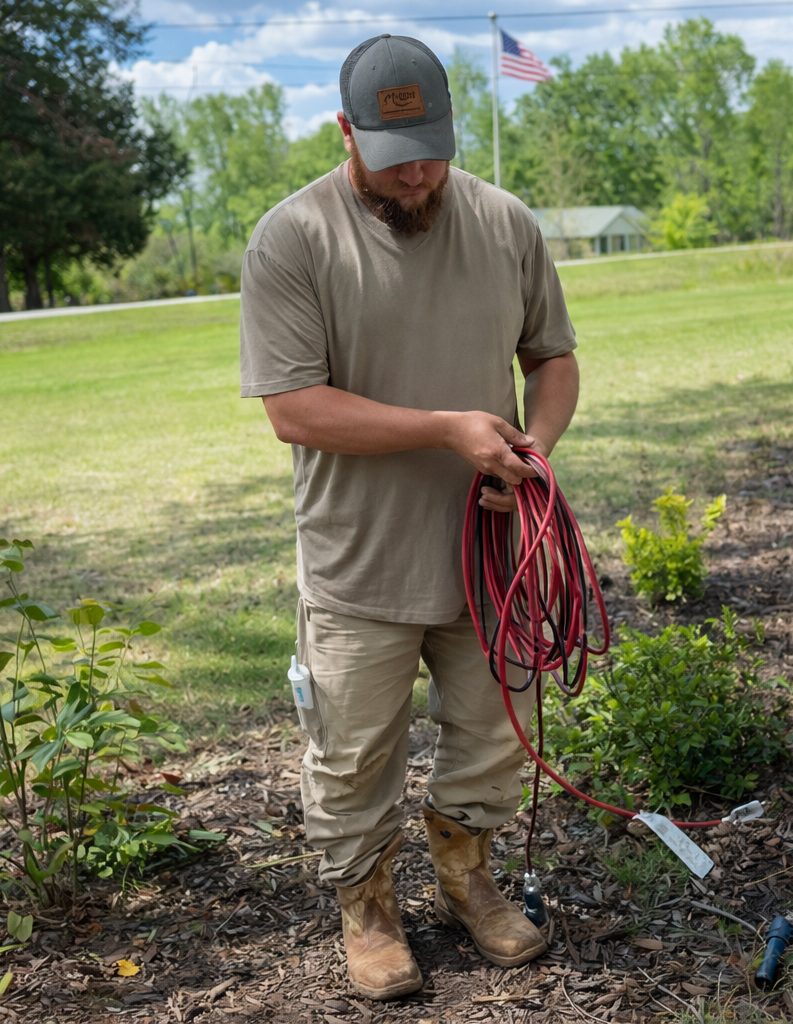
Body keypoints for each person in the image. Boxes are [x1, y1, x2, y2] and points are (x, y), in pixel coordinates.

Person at [239, 33, 579, 1001]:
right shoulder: (292, 239)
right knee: (352, 757)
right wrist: (445, 428)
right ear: (345, 133)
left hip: (488, 555)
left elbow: (551, 359)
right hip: (360, 564)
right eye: (394, 159)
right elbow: (293, 409)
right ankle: (369, 910)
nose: (418, 174)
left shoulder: (505, 223)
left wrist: (533, 450)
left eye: (431, 152)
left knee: (493, 734)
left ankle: (468, 877)